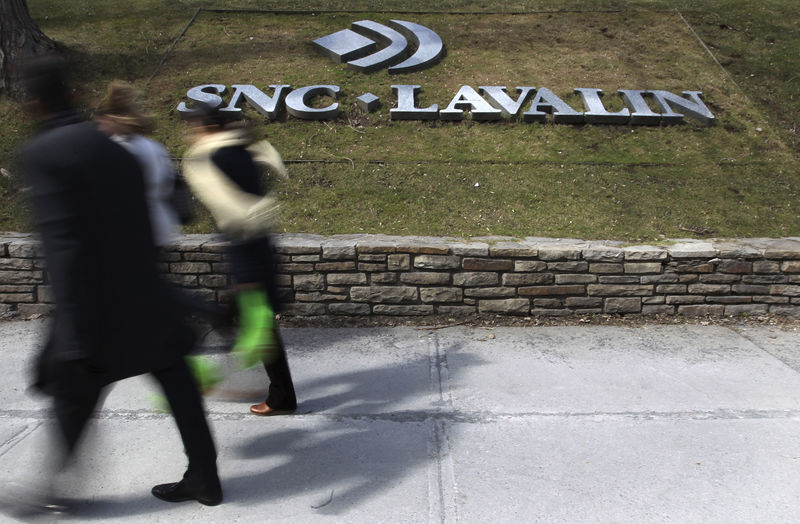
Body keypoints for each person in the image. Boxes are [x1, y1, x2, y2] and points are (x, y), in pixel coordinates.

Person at [19, 57, 222, 510]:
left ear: (31, 105)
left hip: (97, 306)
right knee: (178, 383)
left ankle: (48, 492)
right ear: (72, 95)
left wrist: (76, 334)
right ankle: (205, 477)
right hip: (145, 295)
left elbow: (65, 249)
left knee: (75, 395)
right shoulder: (115, 148)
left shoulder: (44, 155)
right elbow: (142, 231)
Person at [181, 103, 297, 417]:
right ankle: (274, 393)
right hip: (256, 246)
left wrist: (242, 268)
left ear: (207, 128)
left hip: (246, 250)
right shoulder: (244, 151)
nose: (190, 134)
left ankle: (277, 396)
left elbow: (232, 210)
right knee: (250, 323)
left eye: (193, 128)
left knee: (251, 325)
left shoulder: (214, 157)